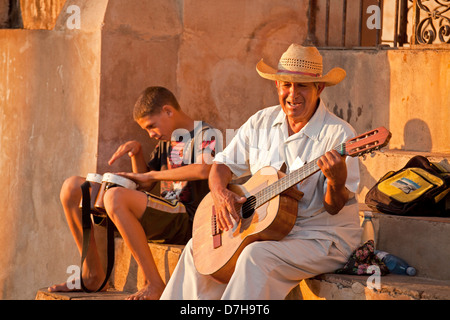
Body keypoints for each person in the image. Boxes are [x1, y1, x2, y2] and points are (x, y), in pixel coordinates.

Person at [160, 44, 362, 300]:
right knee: (196, 250)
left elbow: (334, 207)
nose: (292, 93)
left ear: (318, 88)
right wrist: (221, 194)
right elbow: (221, 165)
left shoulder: (340, 134)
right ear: (277, 86)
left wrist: (336, 181)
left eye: (301, 86)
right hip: (269, 230)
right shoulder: (261, 121)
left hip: (321, 237)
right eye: (286, 84)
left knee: (255, 257)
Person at [48, 86, 216, 300]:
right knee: (72, 188)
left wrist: (152, 176)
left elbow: (205, 168)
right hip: (164, 213)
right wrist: (137, 153)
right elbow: (143, 184)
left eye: (151, 126)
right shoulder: (166, 141)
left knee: (115, 197)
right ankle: (92, 275)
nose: (151, 134)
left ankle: (155, 284)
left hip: (189, 218)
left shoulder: (206, 133)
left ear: (168, 111)